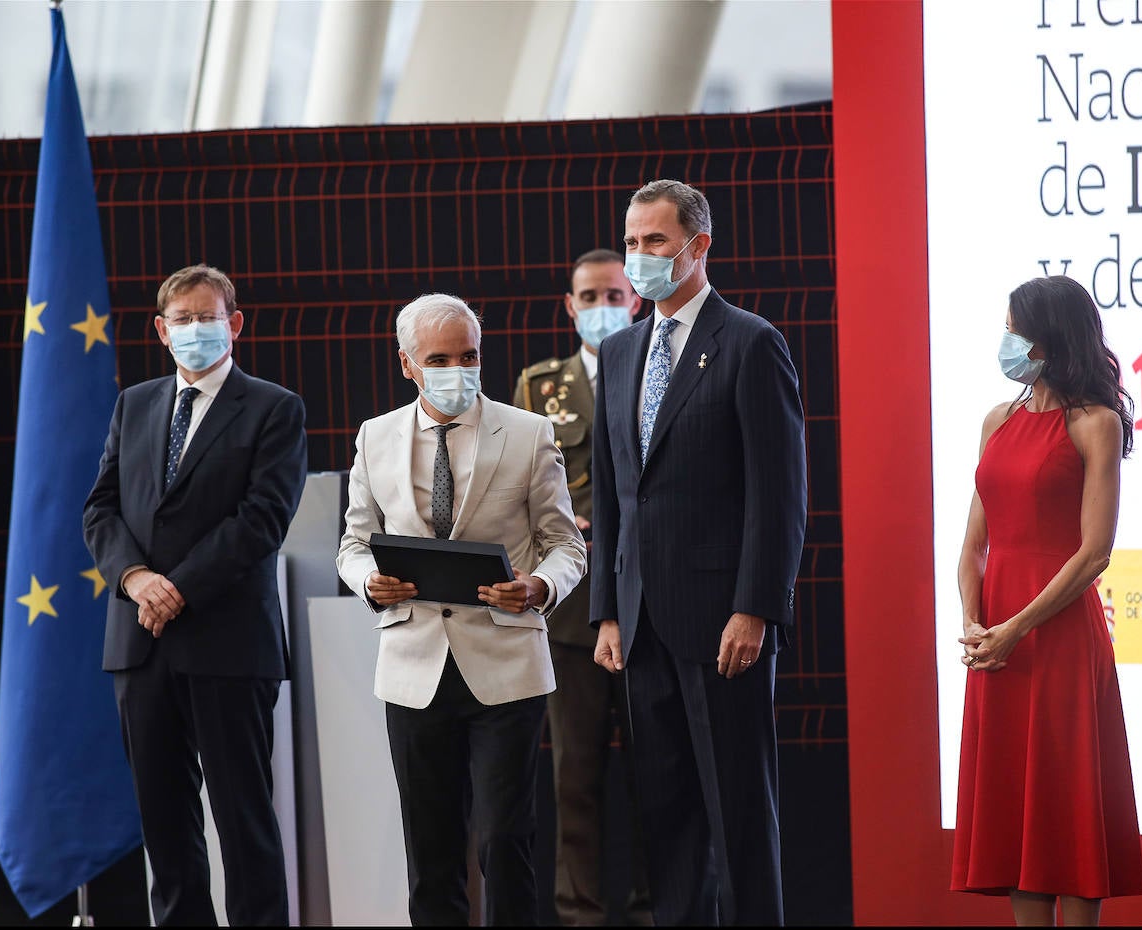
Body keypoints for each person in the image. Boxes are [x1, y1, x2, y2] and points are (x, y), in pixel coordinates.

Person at [589, 180, 807, 925]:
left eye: (656, 241)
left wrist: (755, 609)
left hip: (725, 627)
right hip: (641, 625)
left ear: (698, 246)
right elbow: (619, 494)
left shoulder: (750, 342)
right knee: (668, 824)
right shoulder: (618, 353)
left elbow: (778, 496)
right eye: (633, 242)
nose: (641, 256)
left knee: (740, 819)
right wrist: (607, 615)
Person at [336, 292, 586, 926]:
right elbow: (354, 542)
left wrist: (539, 587)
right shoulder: (376, 436)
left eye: (468, 355)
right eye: (439, 358)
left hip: (507, 663)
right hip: (413, 666)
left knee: (505, 842)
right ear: (407, 365)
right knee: (431, 851)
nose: (456, 370)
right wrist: (369, 582)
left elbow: (566, 545)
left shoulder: (529, 432)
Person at [83, 264, 307, 925]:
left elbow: (263, 518)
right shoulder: (136, 404)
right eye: (181, 320)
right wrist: (135, 579)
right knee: (167, 829)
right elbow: (100, 510)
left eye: (208, 318)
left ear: (235, 324)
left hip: (229, 645)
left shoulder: (274, 407)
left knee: (245, 825)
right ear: (160, 330)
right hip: (140, 646)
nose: (195, 330)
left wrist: (176, 587)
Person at [951, 275, 1142, 925]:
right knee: (1016, 810)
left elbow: (1094, 553)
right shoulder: (995, 421)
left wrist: (1014, 628)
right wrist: (974, 622)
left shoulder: (1096, 423)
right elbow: (973, 543)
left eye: (1015, 330)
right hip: (1000, 643)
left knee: (1066, 799)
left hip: (1058, 636)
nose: (1006, 342)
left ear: (1050, 337)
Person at [512, 248, 653, 926]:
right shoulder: (539, 387)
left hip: (649, 605)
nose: (602, 307)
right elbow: (516, 489)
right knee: (575, 779)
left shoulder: (662, 370)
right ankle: (581, 915)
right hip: (570, 616)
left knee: (656, 775)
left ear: (636, 300)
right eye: (589, 296)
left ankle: (655, 909)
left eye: (613, 295)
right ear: (570, 306)